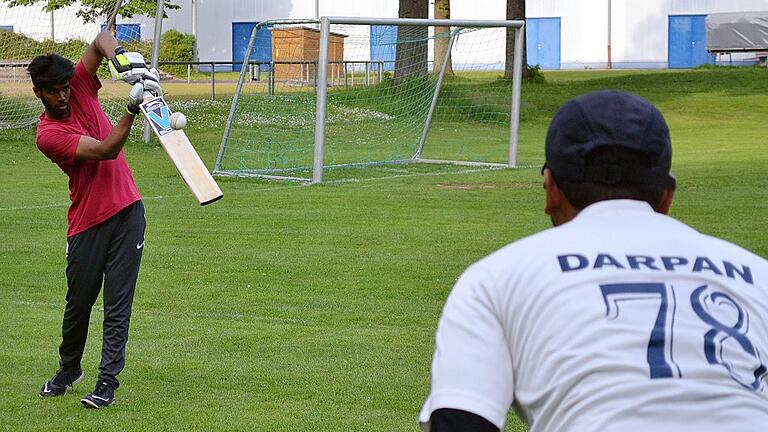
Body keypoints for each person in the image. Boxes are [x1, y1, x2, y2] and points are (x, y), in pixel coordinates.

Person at [419, 90, 768, 432]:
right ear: (667, 196)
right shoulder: (759, 276)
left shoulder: (495, 279)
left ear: (551, 190)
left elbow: (462, 420)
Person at [29, 30, 161, 408]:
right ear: (39, 92)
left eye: (66, 87)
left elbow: (102, 37)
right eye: (54, 90)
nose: (64, 95)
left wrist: (123, 63)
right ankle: (69, 368)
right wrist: (132, 108)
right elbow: (105, 150)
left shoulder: (81, 86)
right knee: (79, 303)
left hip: (128, 213)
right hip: (87, 222)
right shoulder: (48, 134)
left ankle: (107, 382)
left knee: (118, 302)